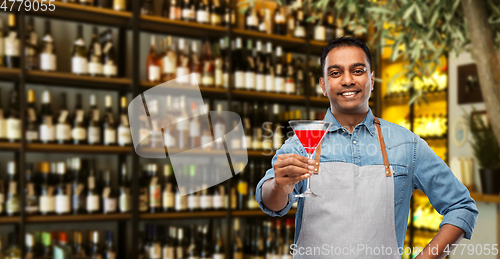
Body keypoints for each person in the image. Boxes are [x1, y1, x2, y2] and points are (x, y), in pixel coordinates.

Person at [255, 37, 478, 258]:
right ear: (323, 85)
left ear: (371, 79)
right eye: (335, 73)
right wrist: (279, 186)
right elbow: (271, 202)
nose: (347, 80)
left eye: (358, 70)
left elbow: (461, 206)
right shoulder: (302, 143)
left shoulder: (407, 144)